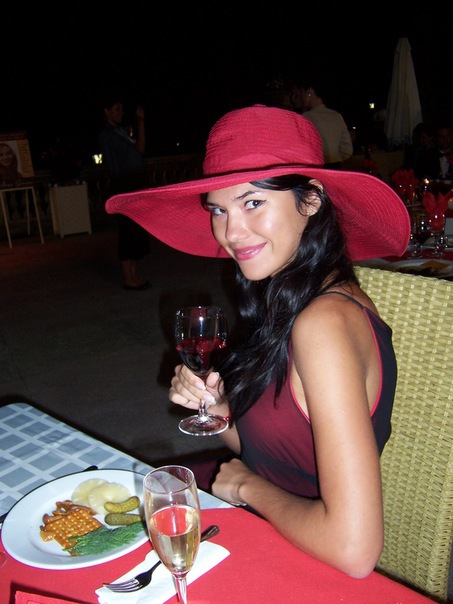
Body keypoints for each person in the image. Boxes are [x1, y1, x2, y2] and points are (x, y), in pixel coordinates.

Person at [105, 105, 410, 577]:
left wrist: (247, 487)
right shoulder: (294, 296)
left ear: (311, 200)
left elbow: (355, 550)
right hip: (272, 523)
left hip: (302, 557)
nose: (231, 233)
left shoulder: (323, 323)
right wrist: (218, 407)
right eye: (218, 210)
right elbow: (270, 448)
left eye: (252, 203)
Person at [98, 96, 151, 290]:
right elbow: (114, 166)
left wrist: (140, 122)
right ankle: (128, 278)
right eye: (117, 109)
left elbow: (140, 150)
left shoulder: (121, 132)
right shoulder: (107, 135)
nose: (121, 112)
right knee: (127, 232)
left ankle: (134, 276)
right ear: (106, 111)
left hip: (135, 186)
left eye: (121, 108)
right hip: (124, 187)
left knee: (135, 231)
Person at [290, 80, 353, 168]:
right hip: (336, 166)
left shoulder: (305, 118)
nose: (300, 98)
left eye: (301, 94)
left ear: (309, 92)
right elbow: (347, 149)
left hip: (315, 168)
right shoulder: (336, 116)